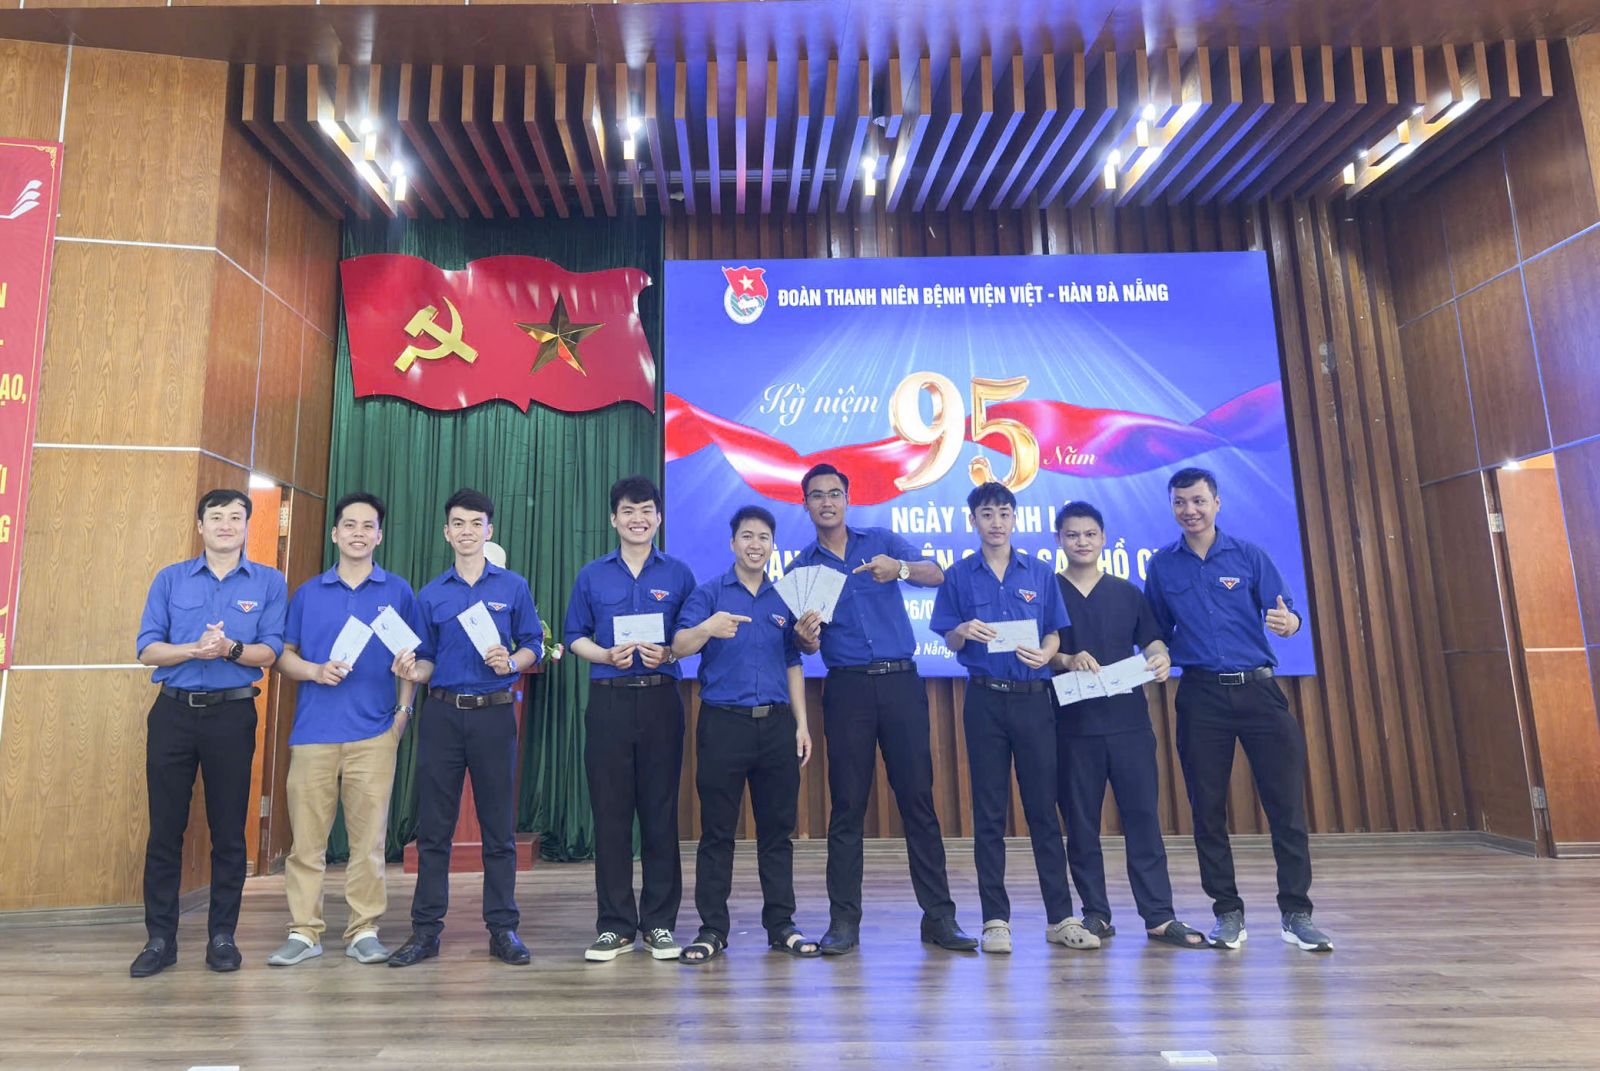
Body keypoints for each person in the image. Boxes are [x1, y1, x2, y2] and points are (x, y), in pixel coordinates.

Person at [788, 463, 976, 955]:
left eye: (834, 493)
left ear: (847, 499)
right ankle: (843, 922)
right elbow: (804, 647)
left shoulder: (882, 542)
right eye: (816, 495)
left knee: (918, 801)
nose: (827, 502)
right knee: (846, 807)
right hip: (847, 689)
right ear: (805, 505)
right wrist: (806, 639)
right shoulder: (802, 569)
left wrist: (902, 570)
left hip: (900, 684)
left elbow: (937, 574)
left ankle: (940, 918)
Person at [1143, 468, 1332, 953]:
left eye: (1198, 500)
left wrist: (1289, 623)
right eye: (1180, 502)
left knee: (1286, 807)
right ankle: (1227, 912)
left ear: (1217, 503)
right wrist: (1156, 652)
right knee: (1207, 810)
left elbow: (1288, 613)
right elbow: (1155, 630)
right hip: (1201, 696)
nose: (1190, 510)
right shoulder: (1162, 566)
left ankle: (1296, 914)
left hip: (1259, 693)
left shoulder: (1249, 555)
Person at [930, 481, 1096, 955]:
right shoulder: (958, 576)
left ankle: (1060, 918)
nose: (996, 522)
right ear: (973, 521)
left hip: (1032, 701)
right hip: (984, 700)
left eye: (1004, 513)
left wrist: (1045, 653)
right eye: (987, 514)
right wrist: (962, 630)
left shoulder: (1039, 572)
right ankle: (995, 920)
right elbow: (949, 638)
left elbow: (1054, 634)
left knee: (1043, 810)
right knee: (988, 813)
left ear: (1014, 518)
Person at [130, 488, 288, 977]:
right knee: (165, 831)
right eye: (216, 517)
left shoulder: (269, 581)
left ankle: (223, 936)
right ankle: (160, 940)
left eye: (235, 517)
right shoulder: (171, 578)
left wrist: (229, 649)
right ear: (200, 525)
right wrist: (193, 650)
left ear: (246, 526)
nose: (225, 525)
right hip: (173, 713)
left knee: (228, 832)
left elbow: (271, 651)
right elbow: (147, 649)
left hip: (231, 716)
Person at [387, 488, 544, 967]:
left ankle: (503, 929)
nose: (467, 531)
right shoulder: (431, 594)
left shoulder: (513, 587)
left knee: (499, 829)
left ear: (489, 531)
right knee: (435, 829)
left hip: (494, 714)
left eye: (476, 523)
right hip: (442, 716)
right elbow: (426, 660)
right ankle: (425, 931)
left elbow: (533, 643)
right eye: (459, 523)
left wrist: (511, 661)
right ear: (446, 532)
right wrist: (411, 670)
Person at [267, 492, 420, 968]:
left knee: (368, 843)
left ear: (379, 536)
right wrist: (314, 671)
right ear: (335, 534)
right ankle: (304, 931)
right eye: (349, 525)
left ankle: (364, 930)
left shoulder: (398, 592)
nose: (358, 533)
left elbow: (413, 662)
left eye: (367, 526)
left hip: (374, 734)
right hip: (313, 734)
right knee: (306, 844)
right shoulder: (308, 593)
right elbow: (282, 656)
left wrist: (402, 713)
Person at [1049, 501, 1206, 950]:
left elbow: (1152, 638)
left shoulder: (1127, 592)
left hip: (1129, 726)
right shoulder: (1048, 591)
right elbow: (1041, 652)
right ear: (1059, 540)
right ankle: (1096, 914)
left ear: (1103, 538)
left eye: (1089, 534)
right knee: (1081, 826)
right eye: (1072, 534)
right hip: (1071, 727)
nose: (1082, 542)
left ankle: (1159, 915)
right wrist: (1066, 659)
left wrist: (1160, 657)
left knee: (1143, 820)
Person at [671, 506, 818, 964]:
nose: (756, 545)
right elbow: (678, 646)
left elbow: (794, 662)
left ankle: (781, 925)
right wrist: (707, 627)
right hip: (723, 724)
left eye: (764, 538)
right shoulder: (709, 593)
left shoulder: (785, 597)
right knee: (717, 832)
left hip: (776, 725)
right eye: (747, 536)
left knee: (778, 832)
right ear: (732, 543)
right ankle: (713, 929)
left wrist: (802, 723)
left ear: (772, 545)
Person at [564, 475, 697, 963]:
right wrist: (604, 654)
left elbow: (690, 636)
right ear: (613, 519)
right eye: (628, 511)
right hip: (609, 702)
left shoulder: (679, 574)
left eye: (646, 510)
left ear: (658, 517)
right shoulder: (591, 575)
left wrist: (670, 652)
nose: (637, 519)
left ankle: (659, 923)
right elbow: (573, 635)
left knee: (660, 814)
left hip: (661, 701)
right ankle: (615, 926)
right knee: (611, 815)